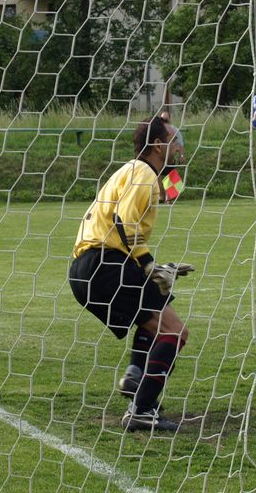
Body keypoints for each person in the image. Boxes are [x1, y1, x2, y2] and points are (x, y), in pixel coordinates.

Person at [68, 116, 195, 432]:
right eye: (174, 141)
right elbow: (125, 219)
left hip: (88, 268)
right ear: (157, 145)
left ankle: (136, 377)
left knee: (158, 311)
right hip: (105, 263)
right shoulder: (143, 173)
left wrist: (174, 162)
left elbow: (172, 192)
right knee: (174, 331)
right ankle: (141, 409)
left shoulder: (137, 170)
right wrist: (148, 264)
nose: (179, 146)